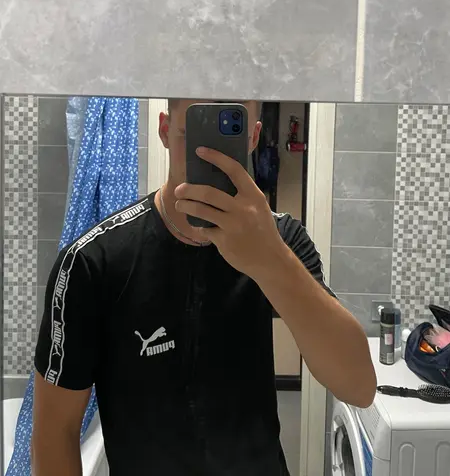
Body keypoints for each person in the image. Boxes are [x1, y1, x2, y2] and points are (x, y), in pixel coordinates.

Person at [32, 99, 376, 476]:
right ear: (164, 131)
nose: (208, 154)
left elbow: (358, 387)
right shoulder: (93, 262)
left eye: (229, 132)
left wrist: (271, 258)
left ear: (253, 138)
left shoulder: (283, 242)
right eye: (192, 133)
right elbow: (55, 433)